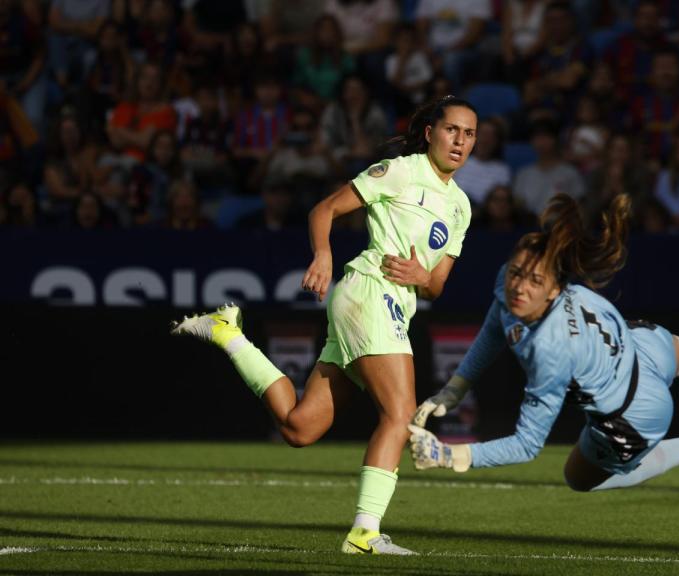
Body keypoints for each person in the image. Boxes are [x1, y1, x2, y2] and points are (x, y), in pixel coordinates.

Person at [171, 96, 478, 555]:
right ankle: (364, 534)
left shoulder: (461, 208)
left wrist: (421, 278)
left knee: (300, 428)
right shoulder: (399, 170)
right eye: (452, 129)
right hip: (368, 293)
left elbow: (435, 285)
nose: (460, 140)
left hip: (393, 307)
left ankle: (228, 334)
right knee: (399, 414)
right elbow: (324, 210)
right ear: (431, 133)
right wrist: (323, 254)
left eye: (470, 134)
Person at [406, 193, 679, 492]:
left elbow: (527, 445)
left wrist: (451, 455)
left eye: (533, 280)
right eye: (517, 273)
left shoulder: (551, 349)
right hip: (642, 343)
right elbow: (495, 323)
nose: (519, 286)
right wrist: (458, 386)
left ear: (554, 289)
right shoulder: (517, 283)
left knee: (577, 478)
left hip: (634, 413)